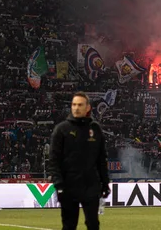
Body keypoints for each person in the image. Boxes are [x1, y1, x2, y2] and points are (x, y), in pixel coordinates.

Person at [49, 92, 110, 230]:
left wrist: (105, 183)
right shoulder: (62, 129)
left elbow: (101, 159)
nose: (76, 108)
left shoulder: (95, 129)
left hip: (91, 186)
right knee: (69, 225)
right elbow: (54, 159)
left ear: (87, 107)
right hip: (69, 186)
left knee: (93, 224)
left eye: (80, 105)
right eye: (74, 104)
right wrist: (58, 184)